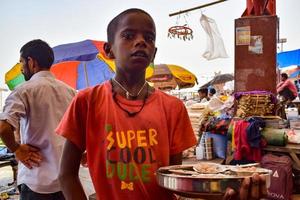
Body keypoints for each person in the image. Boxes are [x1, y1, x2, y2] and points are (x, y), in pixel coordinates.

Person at [56, 8, 267, 200]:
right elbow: (66, 174)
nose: (140, 42)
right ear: (109, 50)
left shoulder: (172, 107)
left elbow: (174, 178)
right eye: (129, 36)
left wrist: (222, 192)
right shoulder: (86, 101)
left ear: (154, 53)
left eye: (148, 37)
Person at [0, 39, 76, 200]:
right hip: (68, 181)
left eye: (21, 62)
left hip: (36, 181)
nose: (21, 68)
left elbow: (3, 128)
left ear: (31, 62)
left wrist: (17, 149)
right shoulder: (71, 92)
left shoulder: (23, 91)